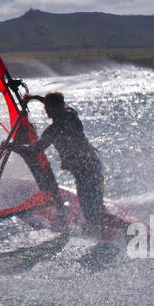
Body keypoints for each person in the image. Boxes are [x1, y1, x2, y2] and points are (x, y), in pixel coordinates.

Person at [22, 92, 106, 230]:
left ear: (53, 108)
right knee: (90, 211)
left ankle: (124, 227)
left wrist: (12, 147)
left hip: (88, 173)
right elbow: (57, 104)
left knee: (92, 216)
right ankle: (103, 222)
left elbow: (33, 150)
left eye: (47, 107)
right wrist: (36, 98)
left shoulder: (55, 129)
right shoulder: (71, 114)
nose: (45, 110)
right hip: (90, 169)